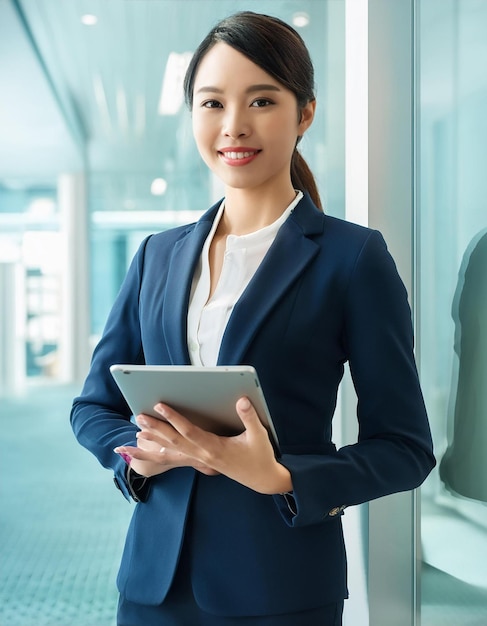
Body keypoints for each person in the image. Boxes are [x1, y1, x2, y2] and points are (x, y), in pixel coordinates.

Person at [71, 11, 435, 626]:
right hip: (154, 583)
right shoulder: (157, 255)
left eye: (261, 100)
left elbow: (405, 448)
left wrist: (282, 476)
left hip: (281, 585)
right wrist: (135, 453)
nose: (233, 125)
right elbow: (92, 407)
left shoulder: (353, 258)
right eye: (212, 103)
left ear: (305, 114)